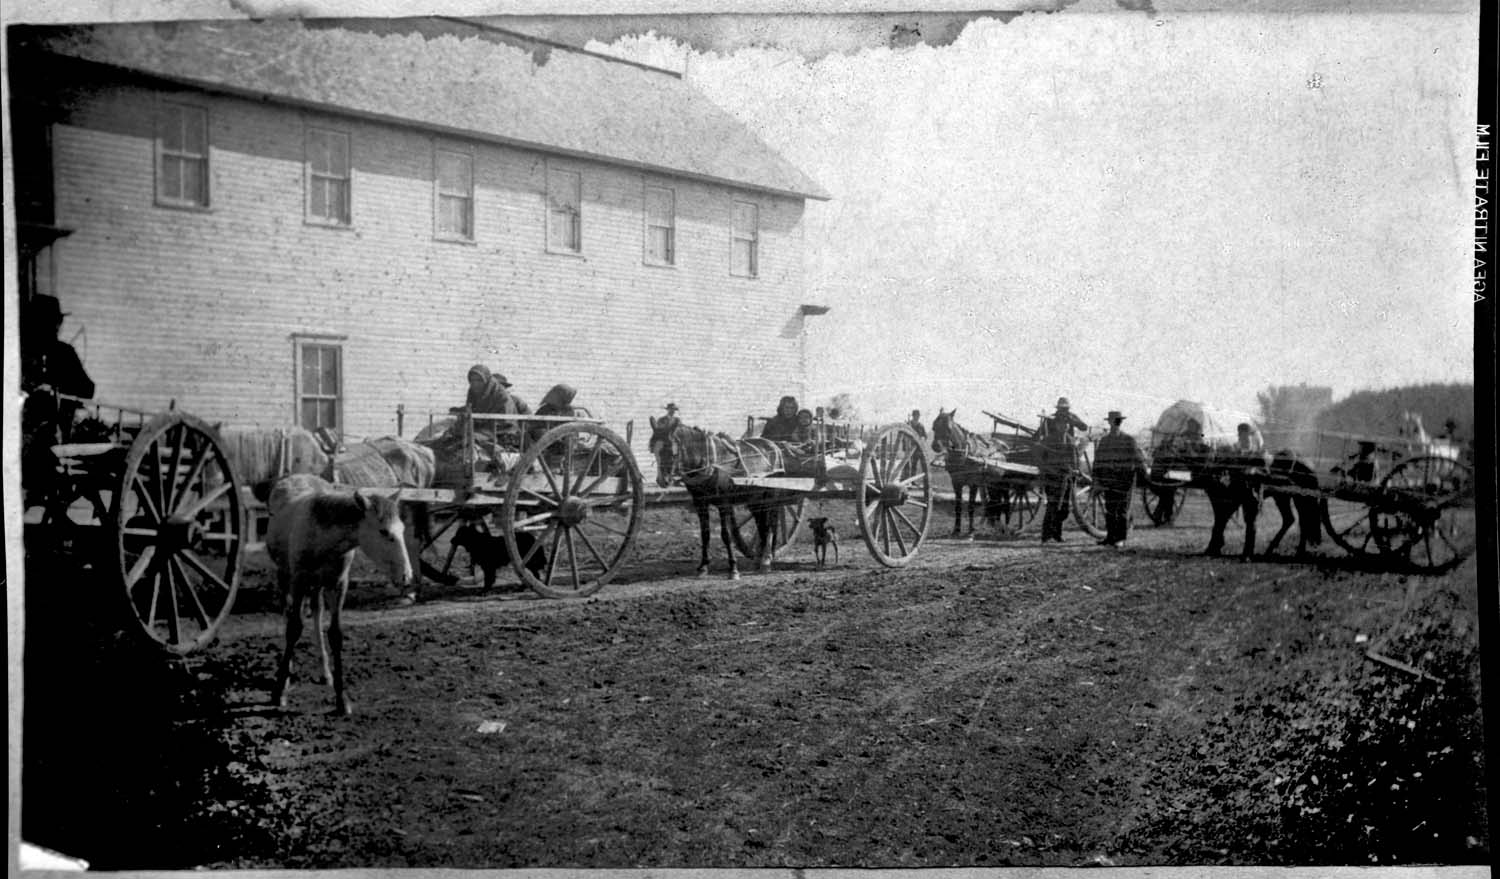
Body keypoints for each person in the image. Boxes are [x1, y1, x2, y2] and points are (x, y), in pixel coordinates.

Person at [21, 295, 95, 507]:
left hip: (58, 425)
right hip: (26, 423)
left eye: (55, 322)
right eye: (50, 321)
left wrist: (58, 390)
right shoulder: (22, 352)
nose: (56, 326)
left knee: (46, 441)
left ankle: (48, 491)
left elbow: (87, 388)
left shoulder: (63, 353)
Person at [1092, 411, 1149, 547]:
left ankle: (1120, 539)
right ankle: (1110, 537)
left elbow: (1138, 460)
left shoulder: (1128, 440)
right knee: (1110, 510)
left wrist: (1144, 477)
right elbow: (1097, 461)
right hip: (1109, 480)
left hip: (1124, 481)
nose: (1116, 424)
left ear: (1120, 423)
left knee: (1122, 510)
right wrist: (1097, 480)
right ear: (1110, 422)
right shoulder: (1105, 441)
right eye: (1114, 421)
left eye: (1118, 421)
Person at [1038, 397, 1089, 543]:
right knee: (1053, 504)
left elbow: (1084, 427)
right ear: (1057, 410)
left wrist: (1073, 420)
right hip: (1053, 473)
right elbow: (1039, 440)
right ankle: (1046, 536)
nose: (1063, 413)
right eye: (1061, 410)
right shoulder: (1049, 422)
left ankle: (1057, 534)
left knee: (1064, 507)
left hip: (1067, 473)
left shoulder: (1071, 430)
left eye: (1065, 410)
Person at [453, 365, 530, 448]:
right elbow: (472, 408)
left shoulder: (503, 397)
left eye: (479, 380)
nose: (475, 383)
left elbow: (506, 422)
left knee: (469, 440)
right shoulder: (473, 393)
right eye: (472, 380)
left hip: (502, 432)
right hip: (484, 430)